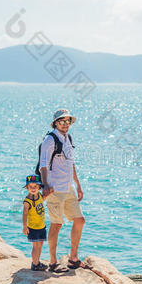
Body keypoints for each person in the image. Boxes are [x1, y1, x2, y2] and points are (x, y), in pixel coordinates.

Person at [39, 109, 92, 272]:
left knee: (79, 220)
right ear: (55, 123)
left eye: (68, 121)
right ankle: (53, 262)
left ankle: (73, 258)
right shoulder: (50, 140)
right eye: (62, 121)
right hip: (55, 189)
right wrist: (46, 186)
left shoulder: (68, 138)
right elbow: (43, 165)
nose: (65, 124)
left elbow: (71, 163)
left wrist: (78, 185)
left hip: (68, 188)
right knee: (57, 223)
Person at [22, 175, 48, 271]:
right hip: (33, 227)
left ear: (39, 187)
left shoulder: (40, 196)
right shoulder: (27, 201)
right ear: (27, 188)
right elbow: (25, 214)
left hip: (41, 226)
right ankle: (34, 264)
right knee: (35, 246)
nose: (33, 189)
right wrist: (25, 227)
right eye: (30, 187)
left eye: (35, 187)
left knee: (40, 244)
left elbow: (44, 198)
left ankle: (37, 261)